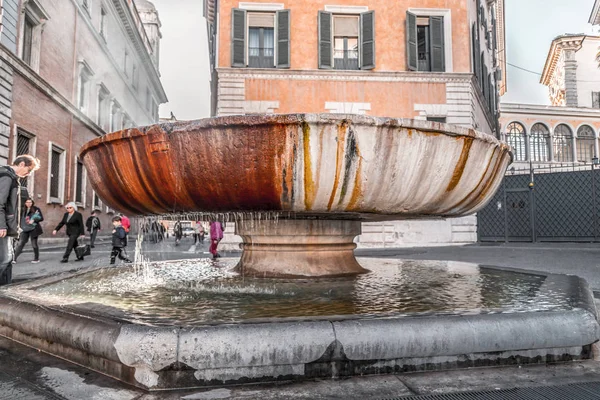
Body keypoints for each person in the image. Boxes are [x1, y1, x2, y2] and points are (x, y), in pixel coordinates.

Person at [0, 155, 40, 284]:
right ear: (22, 164)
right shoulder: (7, 177)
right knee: (5, 258)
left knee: (7, 258)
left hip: (7, 226)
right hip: (3, 226)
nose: (28, 174)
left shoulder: (11, 177)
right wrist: (2, 225)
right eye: (29, 170)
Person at [13, 198, 44, 264]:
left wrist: (34, 220)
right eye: (27, 202)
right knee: (20, 243)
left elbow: (41, 218)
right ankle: (14, 259)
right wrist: (19, 226)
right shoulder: (23, 210)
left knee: (34, 244)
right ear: (25, 203)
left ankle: (36, 259)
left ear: (32, 203)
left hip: (34, 229)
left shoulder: (36, 209)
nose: (28, 203)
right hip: (24, 229)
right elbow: (19, 218)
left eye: (30, 202)